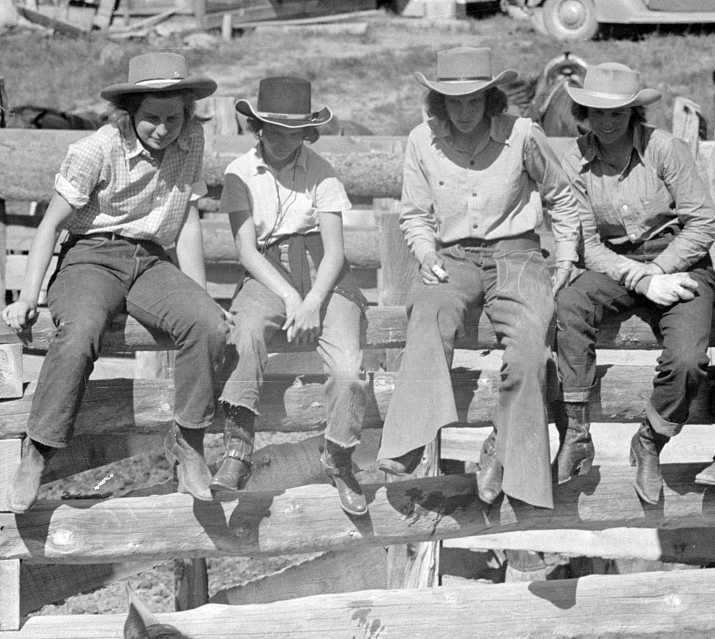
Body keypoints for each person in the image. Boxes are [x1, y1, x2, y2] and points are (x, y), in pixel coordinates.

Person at [2, 52, 228, 512]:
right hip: (92, 255)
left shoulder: (192, 141)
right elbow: (49, 226)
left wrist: (200, 294)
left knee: (209, 324)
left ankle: (188, 444)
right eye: (151, 119)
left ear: (188, 113)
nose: (163, 129)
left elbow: (184, 218)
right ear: (130, 112)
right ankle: (38, 449)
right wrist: (27, 297)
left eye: (173, 118)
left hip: (150, 259)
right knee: (82, 328)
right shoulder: (96, 150)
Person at [375, 47, 581, 510]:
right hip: (454, 257)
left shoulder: (523, 134)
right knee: (427, 311)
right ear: (439, 103)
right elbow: (413, 215)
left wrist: (566, 255)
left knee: (529, 346)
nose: (464, 111)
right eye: (454, 101)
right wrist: (426, 253)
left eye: (474, 100)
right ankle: (408, 439)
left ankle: (507, 455)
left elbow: (561, 198)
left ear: (490, 98)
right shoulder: (420, 140)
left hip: (518, 254)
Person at [556, 62, 715, 503]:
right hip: (615, 263)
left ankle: (651, 439)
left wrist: (660, 272)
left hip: (680, 259)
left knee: (687, 359)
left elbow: (701, 224)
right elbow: (586, 242)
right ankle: (577, 431)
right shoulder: (575, 161)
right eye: (596, 113)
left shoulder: (665, 149)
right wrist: (641, 280)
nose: (607, 123)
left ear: (633, 114)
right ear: (583, 113)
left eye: (618, 114)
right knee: (568, 304)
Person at [211, 76, 369, 516]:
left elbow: (336, 251)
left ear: (307, 132)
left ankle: (338, 455)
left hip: (323, 272)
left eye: (293, 132)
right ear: (257, 128)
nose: (283, 141)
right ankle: (238, 447)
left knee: (348, 367)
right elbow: (245, 249)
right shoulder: (239, 174)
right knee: (245, 332)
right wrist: (288, 297)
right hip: (267, 269)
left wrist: (314, 300)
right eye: (273, 131)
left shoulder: (322, 173)